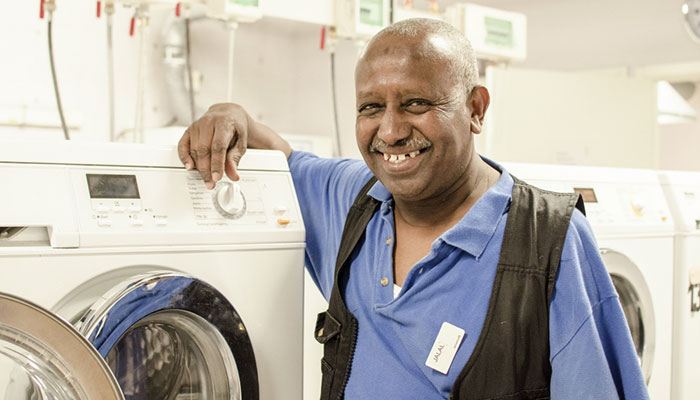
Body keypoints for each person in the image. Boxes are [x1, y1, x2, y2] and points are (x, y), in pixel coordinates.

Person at [178, 18, 649, 400]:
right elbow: (279, 158)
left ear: (476, 109)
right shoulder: (354, 199)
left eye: (416, 103)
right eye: (370, 107)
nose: (390, 131)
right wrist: (227, 113)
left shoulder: (548, 242)